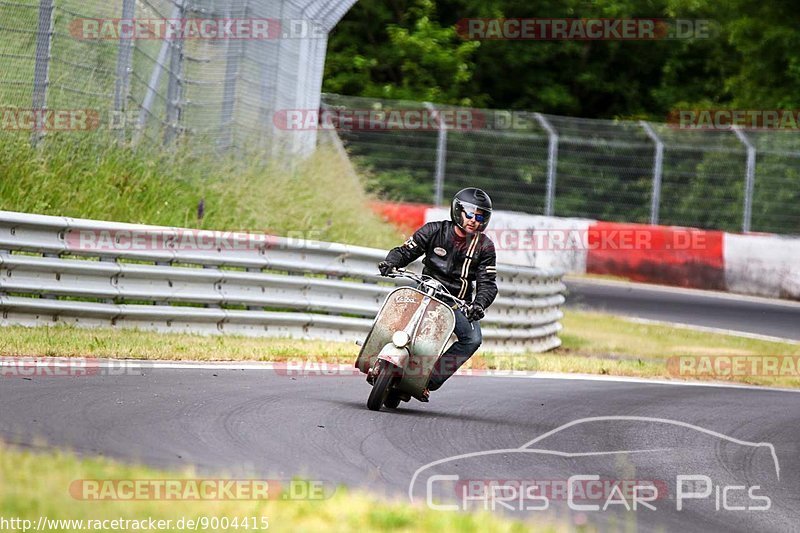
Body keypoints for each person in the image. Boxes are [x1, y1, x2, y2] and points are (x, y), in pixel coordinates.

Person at [377, 187, 498, 401]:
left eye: (479, 216)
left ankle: (428, 380)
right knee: (394, 314)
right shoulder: (434, 230)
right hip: (425, 290)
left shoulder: (485, 247)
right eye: (469, 213)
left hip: (456, 303)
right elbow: (406, 251)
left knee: (472, 339)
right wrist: (391, 262)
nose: (473, 220)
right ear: (457, 211)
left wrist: (479, 304)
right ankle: (375, 355)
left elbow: (488, 284)